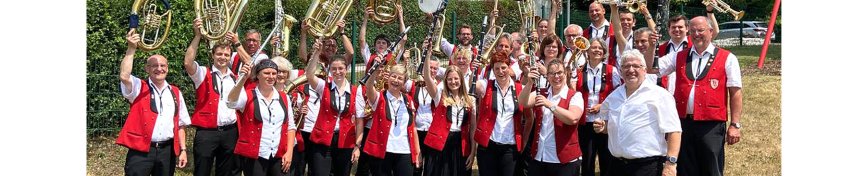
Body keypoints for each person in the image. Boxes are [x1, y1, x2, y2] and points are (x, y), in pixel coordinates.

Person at [648, 16, 743, 176]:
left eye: (701, 30)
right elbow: (652, 69)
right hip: (683, 122)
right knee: (685, 168)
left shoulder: (728, 58)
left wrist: (735, 125)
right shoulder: (679, 56)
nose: (696, 34)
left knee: (711, 168)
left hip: (711, 124)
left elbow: (735, 92)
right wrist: (651, 47)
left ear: (711, 32)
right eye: (692, 31)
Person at [593, 50, 682, 176]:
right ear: (621, 71)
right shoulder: (613, 97)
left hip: (647, 167)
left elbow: (674, 131)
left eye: (636, 66)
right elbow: (609, 125)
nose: (631, 70)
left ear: (645, 70)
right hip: (616, 166)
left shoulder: (660, 95)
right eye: (626, 66)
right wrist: (603, 127)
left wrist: (671, 164)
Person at [117, 29, 190, 176]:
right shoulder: (139, 87)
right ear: (147, 69)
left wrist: (183, 150)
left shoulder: (176, 92)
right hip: (141, 151)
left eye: (163, 65)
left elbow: (181, 124)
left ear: (167, 68)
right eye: (154, 66)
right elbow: (125, 76)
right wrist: (131, 49)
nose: (159, 68)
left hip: (167, 151)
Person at [182, 18, 242, 176]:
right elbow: (188, 63)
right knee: (202, 170)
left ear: (230, 58)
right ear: (213, 55)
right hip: (207, 133)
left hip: (230, 132)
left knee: (225, 171)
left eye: (226, 55)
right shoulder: (203, 73)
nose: (223, 57)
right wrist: (197, 36)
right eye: (219, 54)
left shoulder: (235, 78)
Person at [226, 59, 297, 176]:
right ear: (258, 75)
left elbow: (291, 127)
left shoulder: (284, 97)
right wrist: (242, 80)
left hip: (279, 154)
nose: (271, 76)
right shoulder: (248, 94)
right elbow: (231, 103)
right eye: (266, 73)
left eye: (274, 73)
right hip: (255, 155)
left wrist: (289, 152)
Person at [301, 41, 360, 176]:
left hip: (345, 141)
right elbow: (309, 75)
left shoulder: (356, 91)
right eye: (334, 69)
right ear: (330, 70)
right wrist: (317, 52)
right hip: (322, 139)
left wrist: (357, 145)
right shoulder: (324, 86)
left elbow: (359, 120)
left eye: (340, 68)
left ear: (346, 69)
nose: (337, 72)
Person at [518, 59, 584, 176]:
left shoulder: (575, 96)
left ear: (566, 74)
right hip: (540, 157)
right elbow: (523, 101)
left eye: (559, 73)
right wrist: (529, 83)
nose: (556, 76)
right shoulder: (542, 93)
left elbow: (573, 118)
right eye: (552, 73)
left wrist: (549, 104)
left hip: (565, 160)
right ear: (547, 76)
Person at [420, 48, 477, 176]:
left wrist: (473, 152)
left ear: (461, 80)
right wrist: (427, 56)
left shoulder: (470, 100)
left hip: (460, 146)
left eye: (456, 79)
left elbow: (472, 128)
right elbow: (428, 79)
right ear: (446, 81)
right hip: (439, 146)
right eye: (450, 79)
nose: (453, 82)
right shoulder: (439, 95)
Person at [472, 51, 526, 176]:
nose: (500, 71)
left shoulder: (520, 88)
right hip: (488, 145)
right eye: (496, 68)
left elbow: (528, 118)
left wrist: (524, 140)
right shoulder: (486, 85)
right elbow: (472, 86)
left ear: (509, 68)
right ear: (493, 70)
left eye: (503, 67)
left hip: (510, 146)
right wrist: (475, 71)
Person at [362, 64, 423, 176]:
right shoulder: (379, 97)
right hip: (383, 151)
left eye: (400, 78)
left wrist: (417, 152)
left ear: (404, 82)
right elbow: (369, 87)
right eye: (393, 76)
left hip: (405, 151)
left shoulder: (408, 100)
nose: (396, 80)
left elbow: (412, 128)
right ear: (388, 77)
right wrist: (375, 70)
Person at [574, 38, 622, 176]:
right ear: (587, 51)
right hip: (585, 122)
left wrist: (602, 105)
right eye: (593, 47)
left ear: (604, 52)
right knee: (587, 161)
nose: (596, 50)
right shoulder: (578, 70)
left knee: (606, 160)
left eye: (600, 48)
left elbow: (618, 94)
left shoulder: (612, 70)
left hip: (605, 121)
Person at [270, 56, 308, 176]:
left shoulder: (296, 95)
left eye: (284, 72)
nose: (281, 75)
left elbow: (299, 125)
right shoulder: (266, 92)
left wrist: (302, 113)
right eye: (278, 71)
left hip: (290, 142)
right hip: (271, 140)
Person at [406, 57, 441, 176]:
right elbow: (402, 82)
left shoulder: (441, 87)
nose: (432, 70)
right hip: (417, 130)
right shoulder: (415, 86)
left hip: (432, 131)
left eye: (435, 68)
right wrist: (406, 63)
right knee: (416, 163)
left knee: (431, 165)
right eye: (430, 67)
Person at [360, 5, 407, 71]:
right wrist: (365, 19)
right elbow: (362, 40)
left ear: (388, 46)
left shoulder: (393, 56)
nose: (381, 44)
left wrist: (400, 17)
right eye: (378, 42)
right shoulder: (369, 57)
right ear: (375, 46)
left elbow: (403, 39)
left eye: (384, 43)